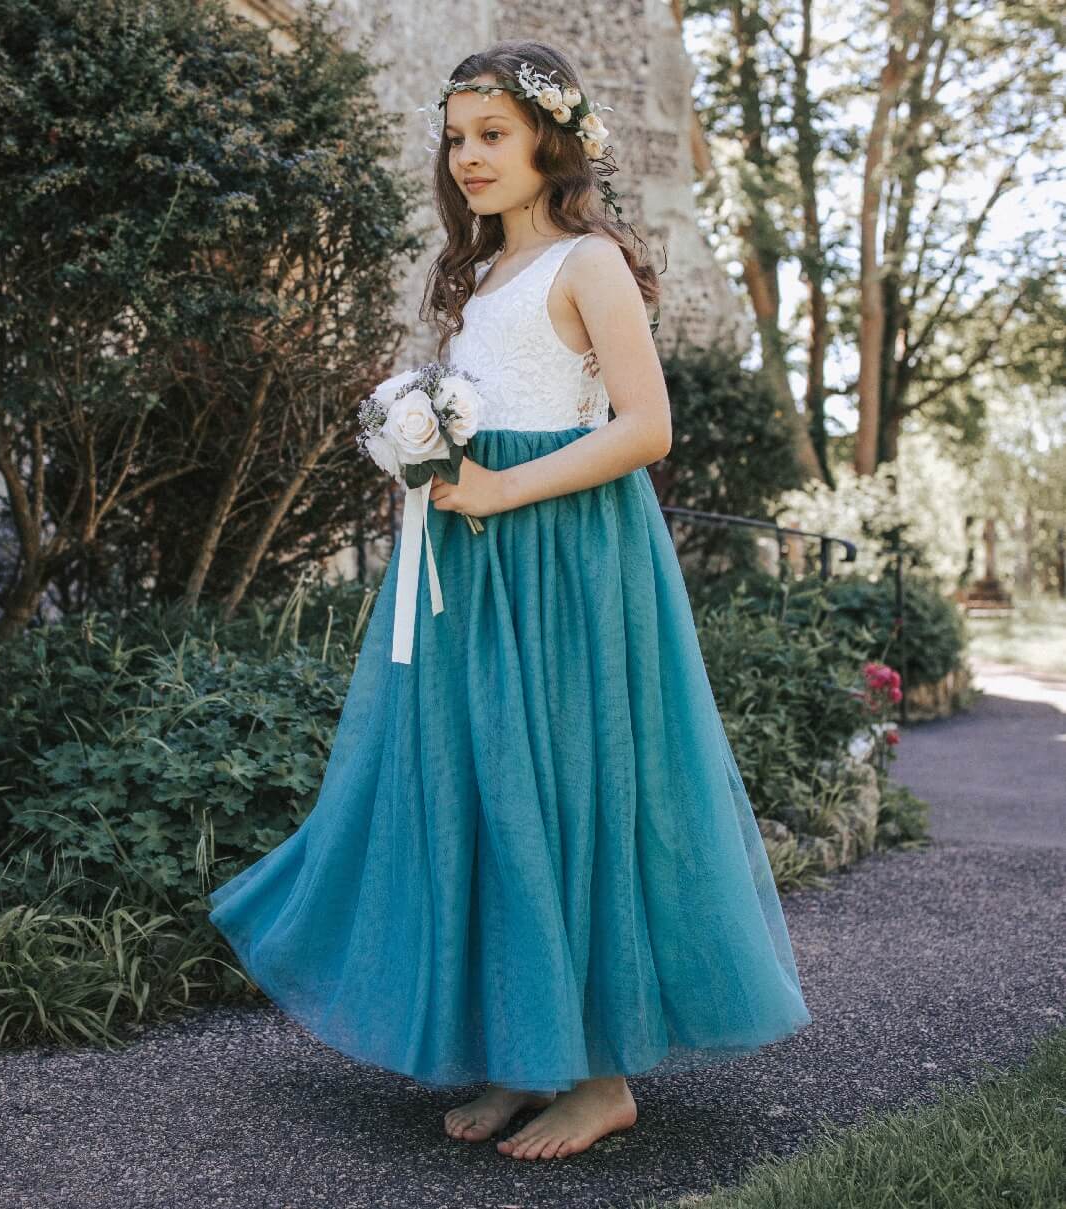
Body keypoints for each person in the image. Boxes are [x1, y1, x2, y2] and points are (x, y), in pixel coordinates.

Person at [208, 38, 813, 1163]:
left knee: (567, 783)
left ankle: (596, 1078)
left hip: (566, 556)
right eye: (455, 138)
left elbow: (644, 428)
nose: (469, 157)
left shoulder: (586, 262)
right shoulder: (481, 277)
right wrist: (425, 458)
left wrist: (494, 486)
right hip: (475, 563)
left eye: (491, 133)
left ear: (551, 137)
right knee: (485, 782)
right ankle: (520, 1054)